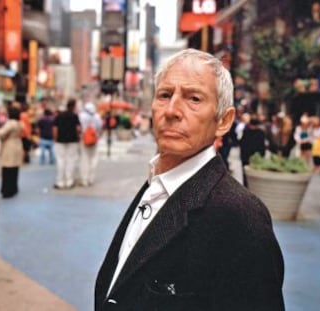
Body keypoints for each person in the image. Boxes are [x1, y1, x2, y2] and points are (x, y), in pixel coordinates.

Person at [95, 49, 284, 310]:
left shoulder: (240, 217)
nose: (171, 110)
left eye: (193, 98)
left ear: (224, 121)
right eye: (164, 95)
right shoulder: (156, 185)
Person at [0, 106, 23, 198]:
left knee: (7, 169)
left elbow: (1, 133)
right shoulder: (19, 123)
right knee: (14, 170)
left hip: (9, 147)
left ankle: (7, 191)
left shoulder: (10, 124)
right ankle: (14, 188)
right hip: (17, 145)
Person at [52, 99, 81, 189]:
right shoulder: (75, 116)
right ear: (74, 106)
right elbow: (78, 129)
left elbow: (55, 129)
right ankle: (69, 181)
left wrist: (55, 139)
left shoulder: (59, 116)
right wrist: (78, 137)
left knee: (60, 161)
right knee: (71, 161)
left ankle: (60, 181)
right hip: (72, 141)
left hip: (60, 141)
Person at [78, 102, 103, 186]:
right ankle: (91, 179)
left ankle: (84, 180)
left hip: (84, 140)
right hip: (94, 140)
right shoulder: (97, 116)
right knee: (93, 160)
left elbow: (79, 128)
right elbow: (100, 128)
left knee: (84, 160)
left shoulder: (81, 116)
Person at [239, 116, 266, 186]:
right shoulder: (261, 133)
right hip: (256, 156)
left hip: (246, 156)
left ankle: (246, 185)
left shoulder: (246, 132)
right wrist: (262, 155)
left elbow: (242, 144)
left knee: (245, 174)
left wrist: (242, 156)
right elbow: (262, 146)